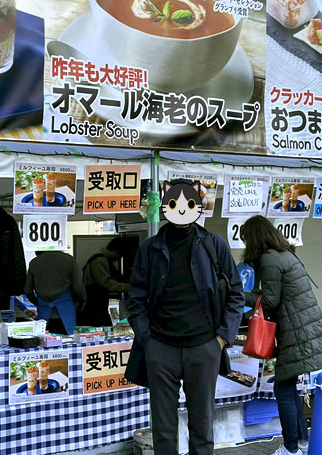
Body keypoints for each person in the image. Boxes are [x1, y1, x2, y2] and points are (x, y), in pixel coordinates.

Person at [127, 180, 244, 455]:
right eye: (174, 204)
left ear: (198, 207)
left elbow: (237, 293)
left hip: (204, 346)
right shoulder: (151, 248)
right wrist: (148, 340)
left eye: (188, 204)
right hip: (161, 348)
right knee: (164, 430)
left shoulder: (213, 244)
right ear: (166, 207)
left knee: (202, 427)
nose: (181, 210)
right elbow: (135, 300)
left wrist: (221, 338)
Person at [241, 215, 322, 455]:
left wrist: (239, 295)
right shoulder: (284, 254)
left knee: (283, 388)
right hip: (302, 329)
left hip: (296, 332)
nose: (245, 245)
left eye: (246, 239)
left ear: (255, 238)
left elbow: (271, 300)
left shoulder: (270, 259)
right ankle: (301, 441)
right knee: (288, 386)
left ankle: (291, 448)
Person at [24, 250, 86, 334]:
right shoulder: (69, 260)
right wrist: (82, 301)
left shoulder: (34, 263)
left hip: (44, 313)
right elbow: (78, 287)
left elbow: (27, 290)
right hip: (67, 311)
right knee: (70, 341)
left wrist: (37, 302)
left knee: (44, 341)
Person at [77, 236, 131, 326]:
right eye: (119, 256)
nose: (117, 259)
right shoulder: (99, 260)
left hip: (96, 305)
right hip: (94, 306)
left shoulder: (100, 257)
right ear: (116, 251)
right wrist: (128, 287)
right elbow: (106, 283)